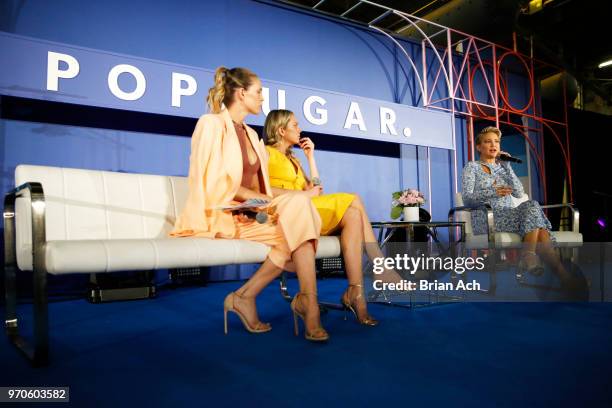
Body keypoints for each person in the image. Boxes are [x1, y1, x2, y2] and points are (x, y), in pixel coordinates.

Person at [170, 68, 328, 341]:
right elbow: (213, 184)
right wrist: (276, 199)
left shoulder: (253, 136)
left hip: (249, 215)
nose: (262, 98)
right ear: (242, 94)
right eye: (258, 92)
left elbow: (257, 189)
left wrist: (272, 201)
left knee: (297, 226)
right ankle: (299, 307)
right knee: (298, 213)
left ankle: (270, 299)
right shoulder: (210, 124)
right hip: (220, 214)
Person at [263, 109, 403, 326]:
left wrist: (310, 158)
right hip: (288, 212)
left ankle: (357, 294)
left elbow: (317, 189)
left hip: (307, 209)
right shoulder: (265, 153)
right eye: (295, 125)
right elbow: (262, 191)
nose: (300, 129)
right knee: (353, 199)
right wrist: (301, 194)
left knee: (354, 214)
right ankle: (379, 267)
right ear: (281, 130)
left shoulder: (295, 160)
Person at [462, 126, 572, 283]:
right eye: (488, 142)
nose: (493, 145)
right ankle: (560, 275)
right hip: (487, 218)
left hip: (509, 215)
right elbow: (467, 199)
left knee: (533, 207)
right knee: (539, 226)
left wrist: (508, 167)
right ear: (479, 147)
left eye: (496, 142)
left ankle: (551, 271)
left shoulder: (503, 168)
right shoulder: (472, 167)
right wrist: (493, 192)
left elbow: (519, 193)